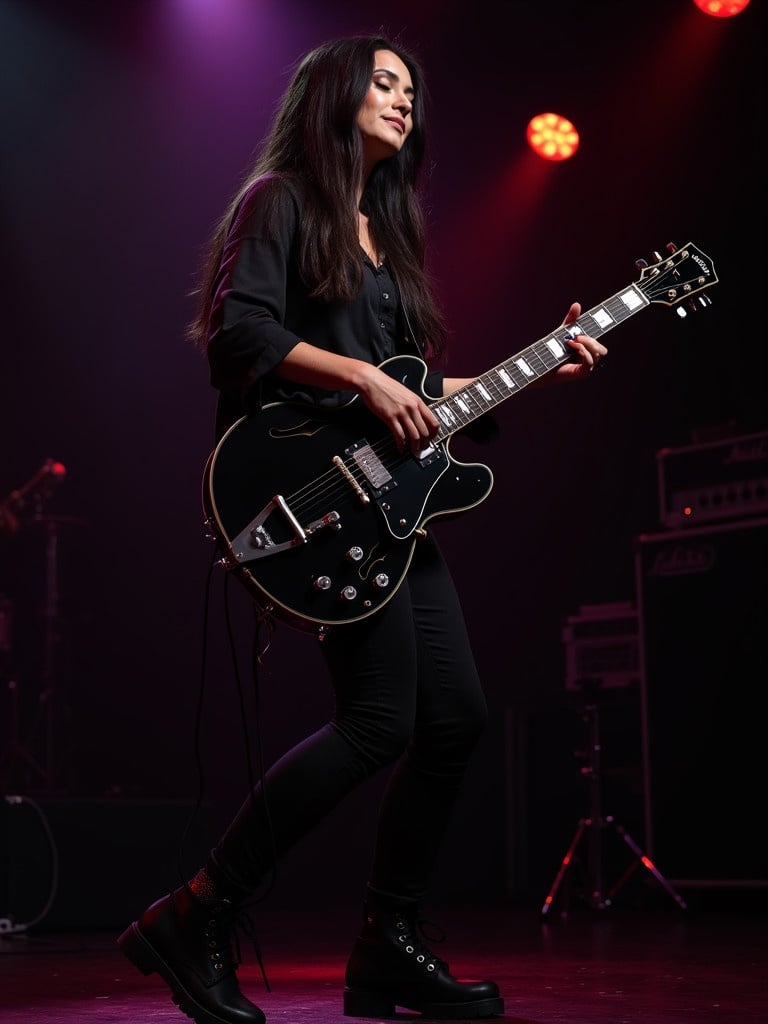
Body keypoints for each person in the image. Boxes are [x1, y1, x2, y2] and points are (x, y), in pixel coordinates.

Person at [117, 33, 606, 1024]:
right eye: (385, 83)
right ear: (333, 93)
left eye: (413, 89)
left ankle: (387, 942)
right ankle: (199, 910)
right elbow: (242, 335)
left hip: (393, 509)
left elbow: (424, 402)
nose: (405, 100)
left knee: (456, 713)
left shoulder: (393, 231)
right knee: (381, 721)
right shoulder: (280, 201)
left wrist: (546, 360)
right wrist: (368, 379)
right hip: (317, 501)